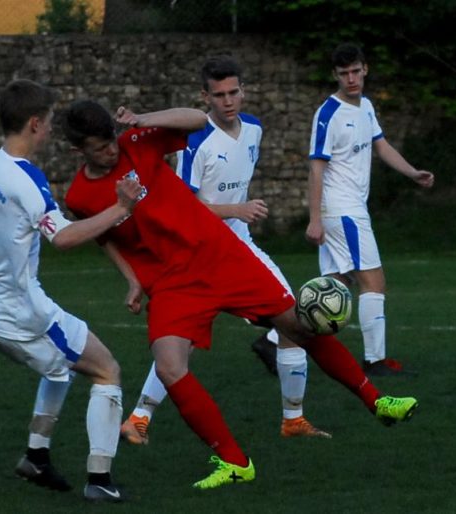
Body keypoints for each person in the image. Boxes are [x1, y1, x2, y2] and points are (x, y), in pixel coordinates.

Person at [63, 99, 419, 490]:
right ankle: (234, 461)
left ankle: (377, 401)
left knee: (298, 326)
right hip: (170, 282)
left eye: (111, 141)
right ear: (79, 148)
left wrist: (142, 118)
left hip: (217, 254)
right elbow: (104, 237)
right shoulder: (80, 195)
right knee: (169, 366)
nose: (112, 150)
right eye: (100, 147)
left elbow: (199, 119)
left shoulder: (137, 140)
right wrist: (131, 278)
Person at [120, 56, 330, 447]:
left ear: (243, 91)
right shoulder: (194, 142)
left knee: (295, 323)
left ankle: (294, 419)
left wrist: (238, 216)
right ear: (205, 97)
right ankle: (139, 416)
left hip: (239, 247)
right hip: (196, 254)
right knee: (178, 346)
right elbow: (180, 206)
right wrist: (237, 209)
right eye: (218, 95)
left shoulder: (253, 129)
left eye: (234, 92)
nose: (228, 100)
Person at [0, 79, 143, 502]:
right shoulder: (28, 178)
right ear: (35, 124)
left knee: (58, 370)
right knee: (107, 370)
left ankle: (36, 458)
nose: (51, 132)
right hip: (22, 311)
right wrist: (121, 209)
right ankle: (99, 480)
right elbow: (61, 237)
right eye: (49, 124)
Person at [306, 43, 435, 376]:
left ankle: (277, 339)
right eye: (344, 73)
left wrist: (412, 172)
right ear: (335, 75)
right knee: (374, 283)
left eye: (355, 71)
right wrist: (315, 220)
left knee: (334, 288)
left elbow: (381, 145)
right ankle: (375, 360)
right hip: (342, 211)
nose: (351, 78)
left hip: (349, 209)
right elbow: (316, 168)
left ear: (365, 69)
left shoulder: (365, 106)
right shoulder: (329, 114)